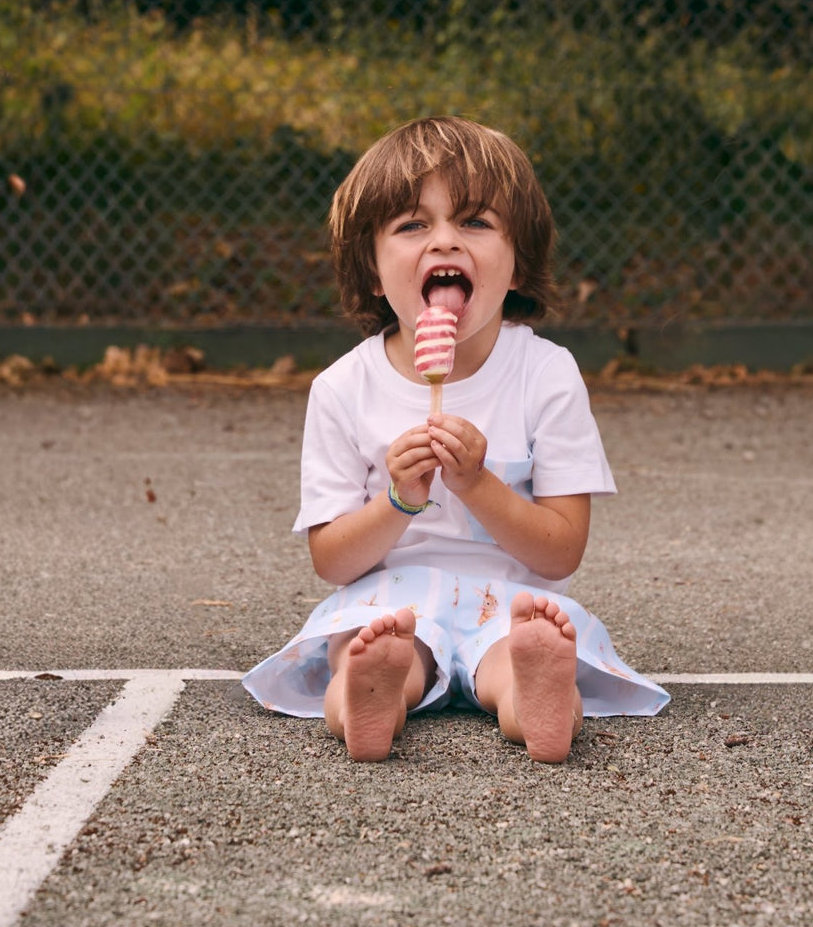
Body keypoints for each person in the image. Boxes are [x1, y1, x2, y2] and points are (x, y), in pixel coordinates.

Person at [242, 116, 668, 761]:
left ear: (518, 264)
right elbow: (333, 561)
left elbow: (560, 553)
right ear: (376, 275)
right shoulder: (341, 388)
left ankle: (536, 701)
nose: (444, 241)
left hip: (513, 603)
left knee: (517, 656)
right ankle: (369, 697)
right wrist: (400, 500)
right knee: (366, 647)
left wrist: (477, 484)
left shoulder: (546, 374)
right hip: (388, 599)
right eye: (413, 226)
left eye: (475, 222)